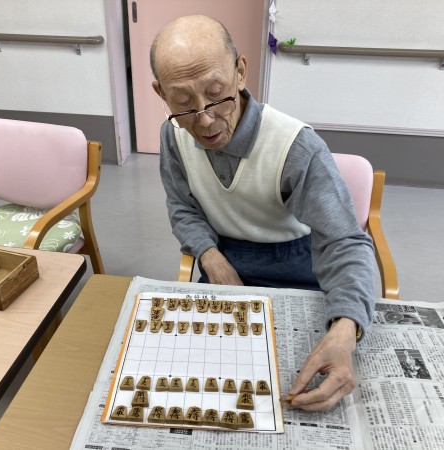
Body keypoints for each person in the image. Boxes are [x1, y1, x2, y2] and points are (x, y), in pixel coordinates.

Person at [150, 15, 375, 411]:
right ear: (162, 95)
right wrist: (210, 256)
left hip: (299, 267)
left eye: (216, 94)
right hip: (224, 260)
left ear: (240, 72)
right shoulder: (173, 135)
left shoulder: (295, 147)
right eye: (183, 104)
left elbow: (344, 241)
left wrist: (345, 329)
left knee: (298, 385)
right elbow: (182, 207)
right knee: (202, 387)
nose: (204, 120)